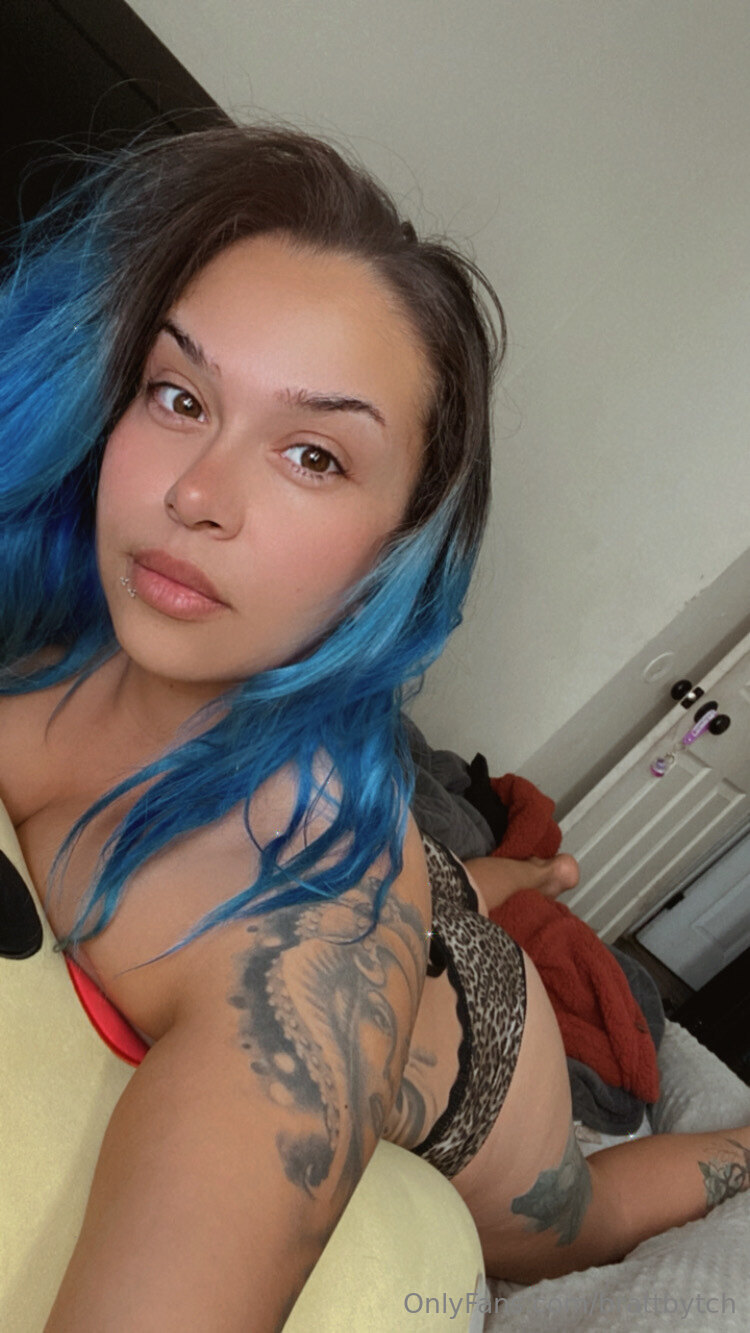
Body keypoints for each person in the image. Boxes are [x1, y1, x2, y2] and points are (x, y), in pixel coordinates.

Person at [1, 125, 748, 1331]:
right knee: (443, 876)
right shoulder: (57, 640)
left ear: (398, 548)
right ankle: (515, 878)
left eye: (313, 454)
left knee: (584, 1212)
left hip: (481, 1049)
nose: (195, 493)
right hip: (370, 847)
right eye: (180, 395)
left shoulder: (299, 957)